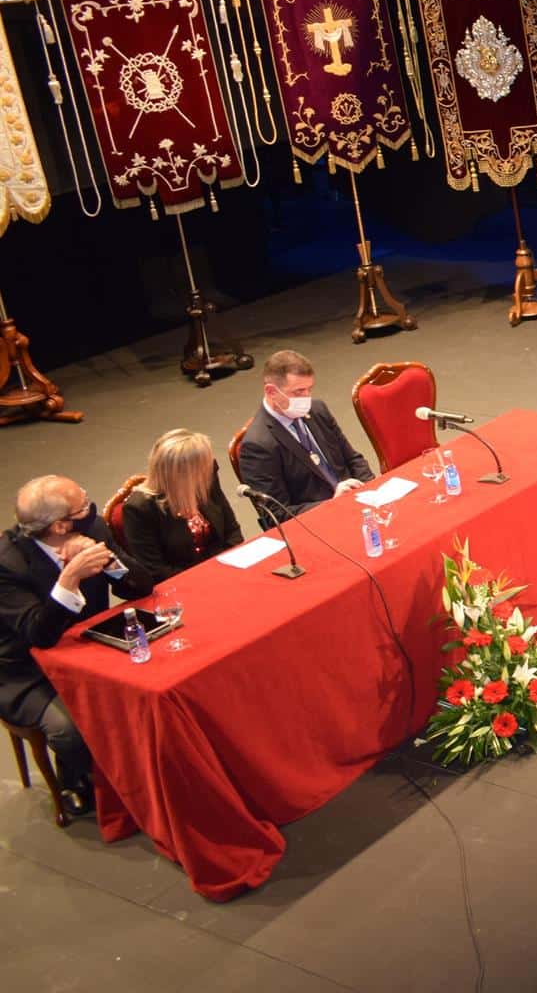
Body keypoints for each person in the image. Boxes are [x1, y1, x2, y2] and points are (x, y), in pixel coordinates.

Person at [0, 476, 154, 815]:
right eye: (82, 506)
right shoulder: (7, 564)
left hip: (90, 647)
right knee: (68, 730)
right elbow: (38, 634)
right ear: (60, 525)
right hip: (28, 670)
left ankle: (145, 769)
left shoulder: (94, 530)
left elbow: (141, 587)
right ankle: (81, 777)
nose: (91, 509)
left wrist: (111, 564)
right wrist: (69, 578)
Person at [237, 349, 374, 521]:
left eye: (309, 389)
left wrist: (372, 489)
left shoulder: (318, 410)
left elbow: (353, 459)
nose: (306, 398)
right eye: (298, 392)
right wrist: (332, 504)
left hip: (359, 504)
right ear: (271, 391)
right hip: (319, 523)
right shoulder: (258, 445)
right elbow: (276, 514)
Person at [118, 428, 244, 580]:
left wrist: (229, 566)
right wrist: (207, 577)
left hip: (225, 570)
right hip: (185, 584)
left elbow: (232, 531)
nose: (210, 470)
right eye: (203, 467)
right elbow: (156, 571)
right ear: (181, 474)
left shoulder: (205, 480)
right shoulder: (139, 509)